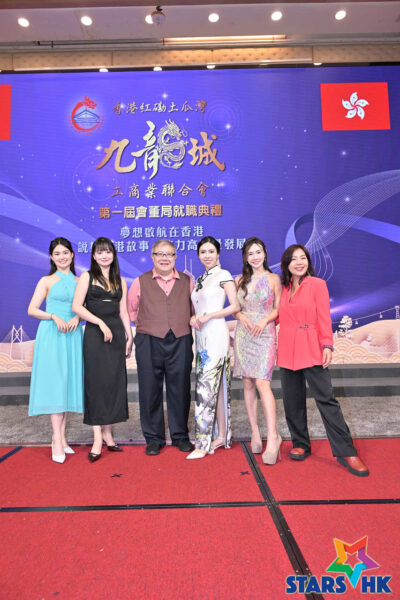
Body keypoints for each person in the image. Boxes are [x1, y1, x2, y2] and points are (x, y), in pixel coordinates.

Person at [277, 244, 369, 477]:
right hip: (287, 348)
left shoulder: (317, 284)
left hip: (310, 346)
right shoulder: (282, 287)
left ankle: (347, 452)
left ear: (308, 261)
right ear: (286, 264)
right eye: (294, 259)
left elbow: (323, 317)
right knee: (292, 400)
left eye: (303, 258)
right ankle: (300, 443)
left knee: (326, 400)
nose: (299, 262)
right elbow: (274, 315)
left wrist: (327, 345)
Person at [127, 239, 194, 456]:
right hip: (148, 340)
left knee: (180, 388)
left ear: (175, 257)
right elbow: (132, 311)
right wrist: (151, 325)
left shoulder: (188, 281)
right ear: (152, 257)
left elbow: (193, 310)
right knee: (149, 389)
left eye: (169, 254)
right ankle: (154, 438)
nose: (165, 258)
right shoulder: (140, 282)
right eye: (160, 254)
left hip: (180, 340)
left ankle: (180, 435)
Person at [72, 237, 132, 462]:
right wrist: (99, 322)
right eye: (100, 252)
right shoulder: (87, 277)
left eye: (108, 252)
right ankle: (97, 437)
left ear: (113, 254)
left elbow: (123, 311)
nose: (104, 256)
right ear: (94, 256)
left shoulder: (120, 280)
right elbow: (77, 307)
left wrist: (129, 336)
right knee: (96, 385)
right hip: (96, 336)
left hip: (116, 335)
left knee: (113, 384)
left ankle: (108, 434)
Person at [28, 237, 84, 464]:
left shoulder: (81, 281)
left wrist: (77, 317)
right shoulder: (46, 281)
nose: (62, 257)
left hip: (73, 335)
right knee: (56, 385)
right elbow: (32, 309)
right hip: (52, 334)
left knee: (67, 384)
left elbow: (85, 307)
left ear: (72, 255)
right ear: (51, 257)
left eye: (65, 252)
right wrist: (53, 316)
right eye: (57, 253)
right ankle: (57, 439)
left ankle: (60, 437)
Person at [187, 236, 240, 460]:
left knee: (206, 388)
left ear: (218, 253)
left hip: (216, 334)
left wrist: (209, 316)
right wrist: (194, 318)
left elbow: (235, 306)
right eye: (203, 252)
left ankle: (202, 443)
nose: (207, 255)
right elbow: (198, 308)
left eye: (211, 251)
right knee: (214, 388)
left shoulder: (224, 275)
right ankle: (221, 436)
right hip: (201, 336)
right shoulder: (200, 279)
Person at [233, 237, 282, 465]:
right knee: (248, 382)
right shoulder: (239, 280)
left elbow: (277, 309)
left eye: (258, 252)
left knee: (263, 382)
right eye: (250, 253)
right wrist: (241, 317)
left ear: (265, 253)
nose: (255, 257)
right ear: (245, 257)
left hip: (264, 334)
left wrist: (263, 321)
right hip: (244, 334)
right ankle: (255, 431)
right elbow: (235, 309)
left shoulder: (273, 279)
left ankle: (273, 436)